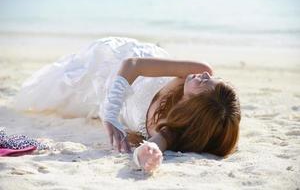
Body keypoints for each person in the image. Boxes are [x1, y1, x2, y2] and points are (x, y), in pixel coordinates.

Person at [14, 37, 241, 173]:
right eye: (211, 78)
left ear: (194, 106)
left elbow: (155, 145)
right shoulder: (195, 70)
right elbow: (132, 64)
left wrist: (148, 154)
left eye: (206, 83)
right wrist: (110, 113)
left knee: (61, 99)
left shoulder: (168, 130)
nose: (203, 75)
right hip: (117, 66)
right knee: (62, 78)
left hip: (99, 95)